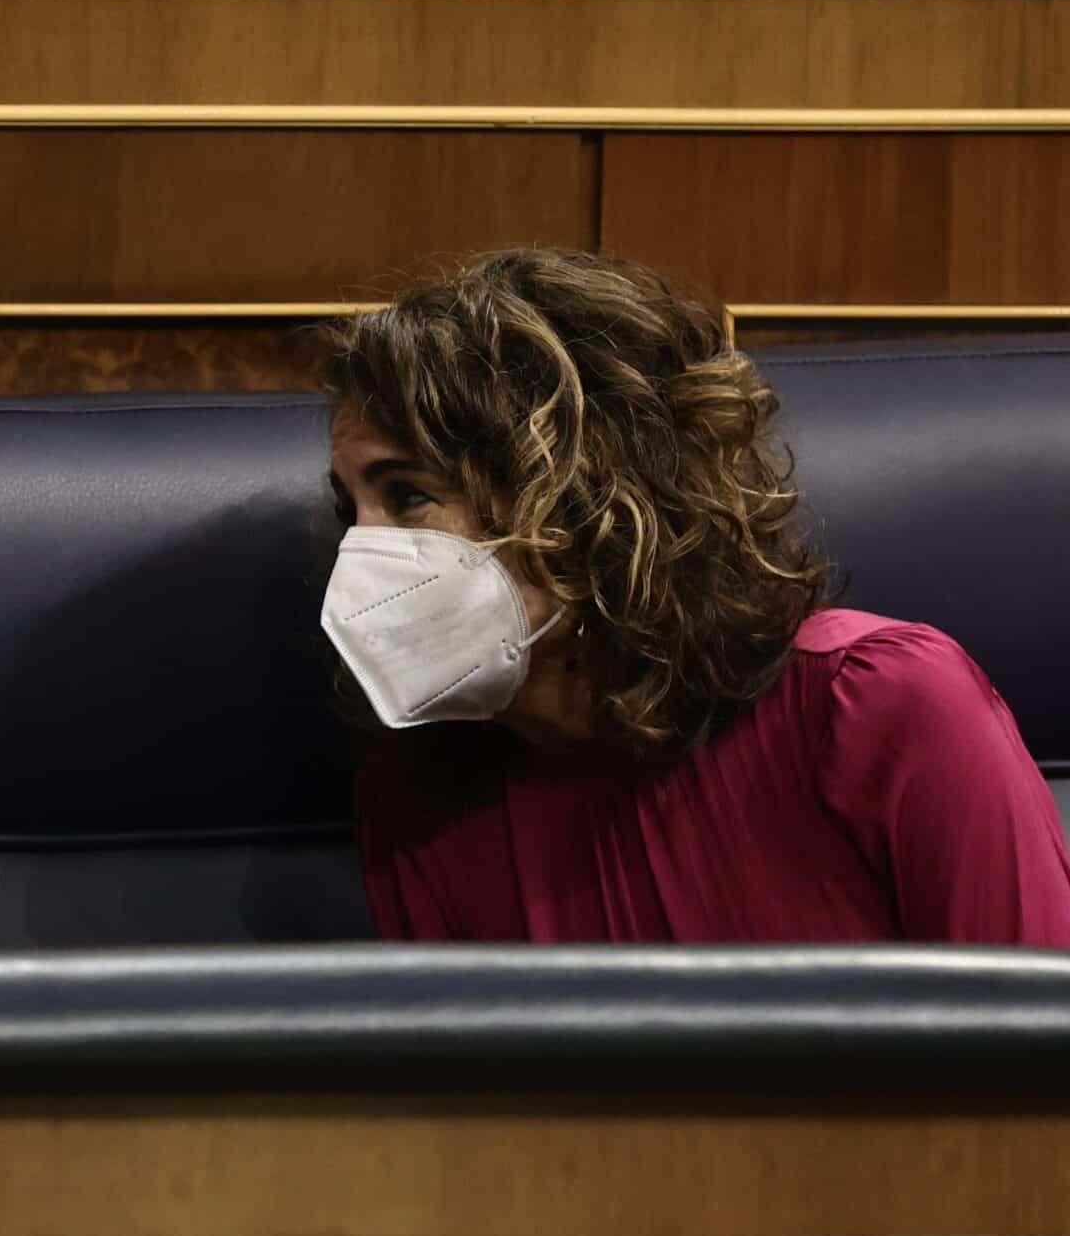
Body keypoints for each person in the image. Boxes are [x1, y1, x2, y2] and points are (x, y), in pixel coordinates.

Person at [321, 248, 1070, 943]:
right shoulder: (415, 797)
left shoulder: (878, 706)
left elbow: (1037, 1056)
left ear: (584, 496)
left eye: (409, 496)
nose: (361, 551)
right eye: (349, 507)